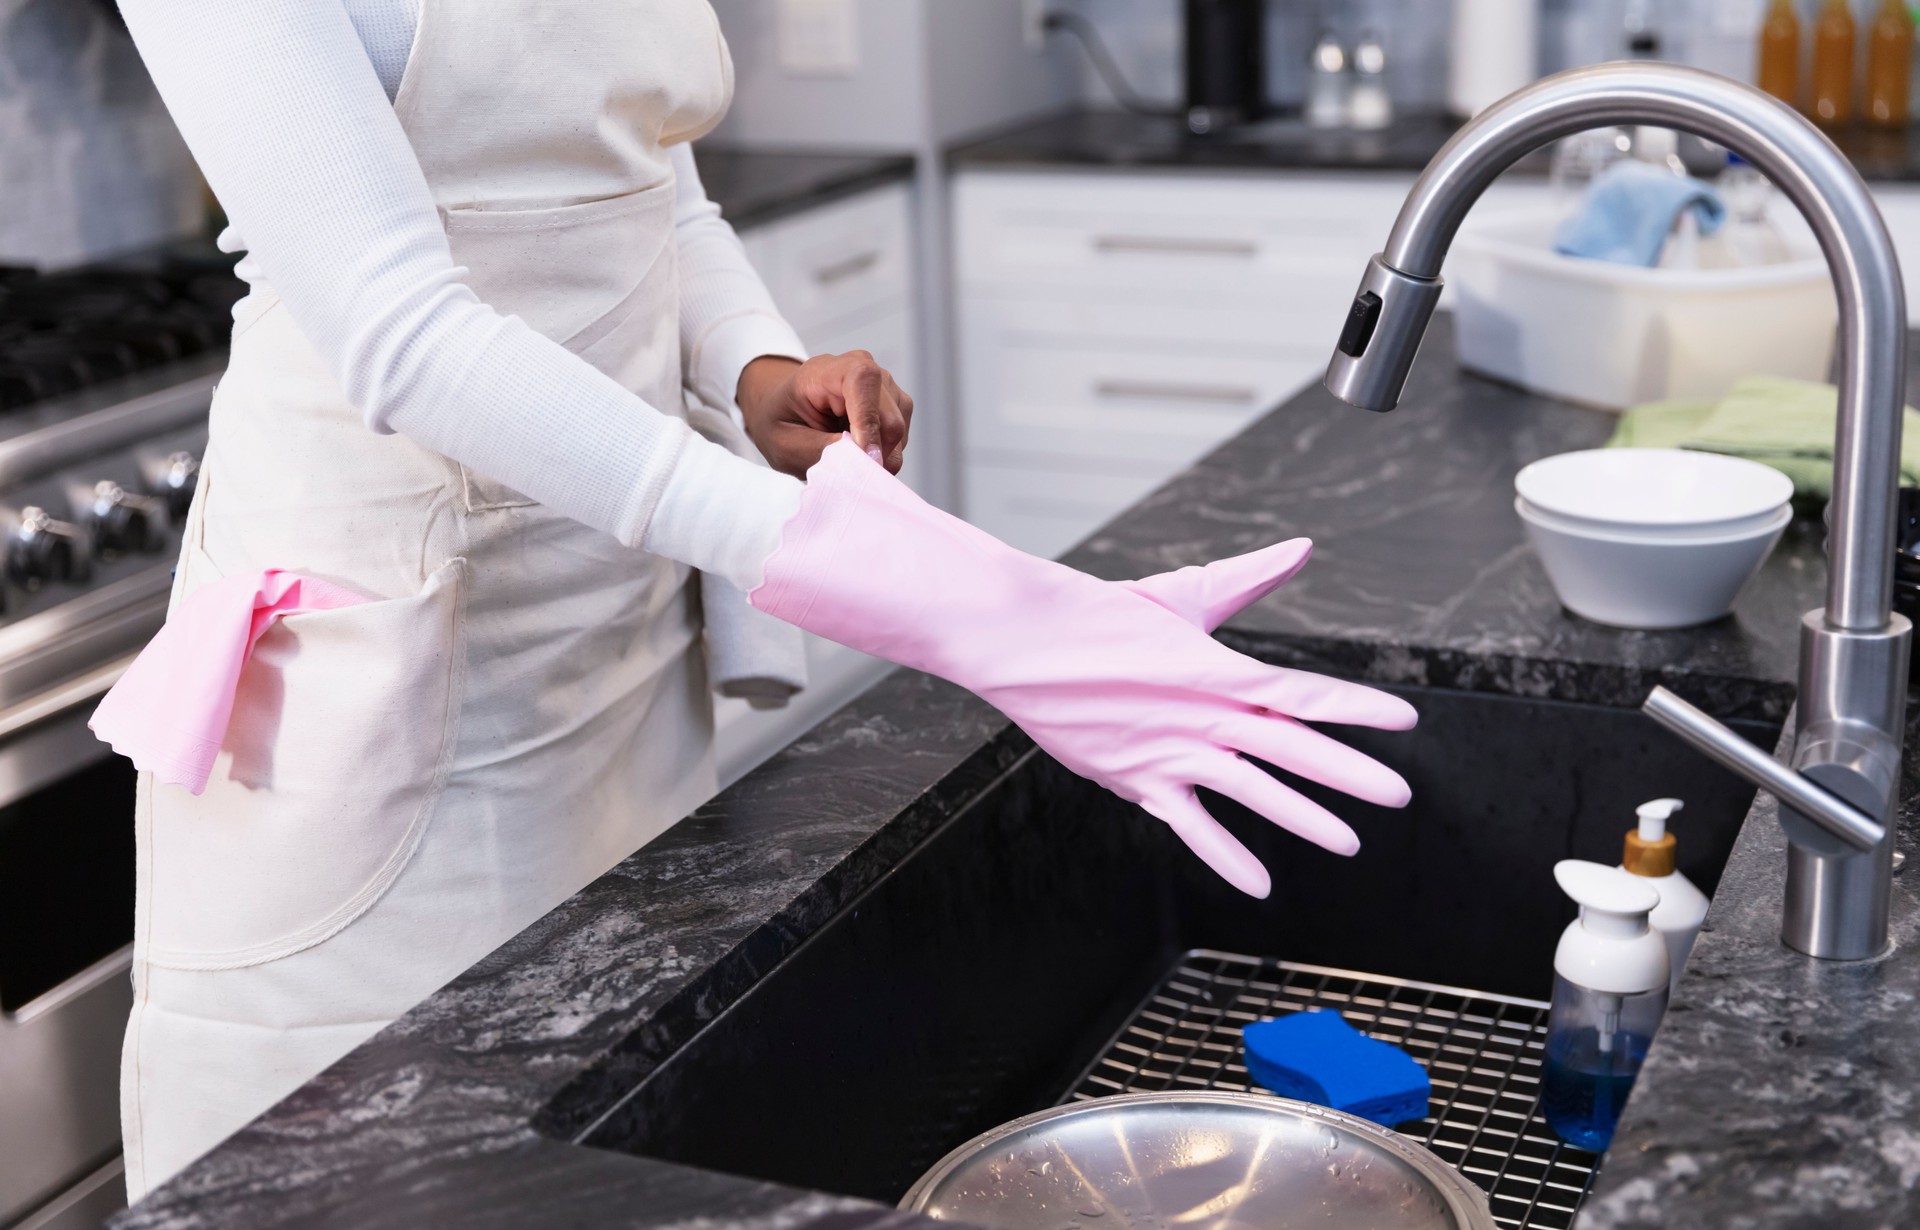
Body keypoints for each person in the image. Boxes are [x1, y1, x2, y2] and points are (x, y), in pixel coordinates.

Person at [107, 0, 1417, 1200]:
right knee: (378, 1176)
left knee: (596, 1137)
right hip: (389, 664)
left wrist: (757, 367)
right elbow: (399, 328)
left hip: (615, 641)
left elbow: (656, 188)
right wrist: (892, 579)